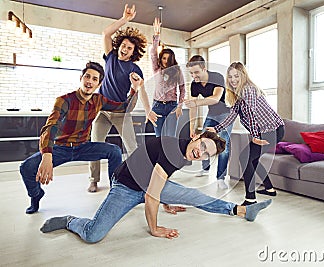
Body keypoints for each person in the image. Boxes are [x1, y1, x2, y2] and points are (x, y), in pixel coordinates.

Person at [40, 131, 273, 242]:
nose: (199, 152)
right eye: (202, 145)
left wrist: (166, 199)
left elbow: (158, 179)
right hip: (126, 186)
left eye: (206, 153)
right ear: (195, 136)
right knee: (93, 235)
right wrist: (155, 228)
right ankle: (70, 221)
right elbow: (152, 195)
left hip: (151, 183)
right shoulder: (173, 149)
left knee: (193, 196)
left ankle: (241, 210)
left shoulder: (186, 151)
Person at [20, 61, 144, 214]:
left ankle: (116, 194)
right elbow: (51, 126)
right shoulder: (64, 100)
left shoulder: (99, 100)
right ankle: (36, 195)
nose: (89, 82)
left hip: (83, 147)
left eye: (94, 79)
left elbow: (125, 108)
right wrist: (47, 154)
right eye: (87, 77)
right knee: (26, 168)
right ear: (81, 78)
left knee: (115, 151)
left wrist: (134, 89)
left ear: (99, 84)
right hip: (61, 148)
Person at [89, 3, 159, 193]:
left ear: (133, 52)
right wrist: (125, 20)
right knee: (95, 146)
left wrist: (146, 109)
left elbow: (142, 90)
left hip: (121, 113)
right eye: (123, 46)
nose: (124, 49)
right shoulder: (110, 56)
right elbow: (105, 33)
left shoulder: (134, 69)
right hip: (102, 111)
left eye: (129, 48)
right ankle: (94, 179)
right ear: (118, 45)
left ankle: (137, 178)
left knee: (132, 147)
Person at [207, 62, 285, 206]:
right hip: (265, 130)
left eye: (236, 76)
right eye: (230, 77)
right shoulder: (238, 94)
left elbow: (251, 114)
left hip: (271, 130)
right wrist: (216, 129)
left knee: (245, 158)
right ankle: (269, 188)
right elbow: (233, 114)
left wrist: (255, 136)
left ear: (243, 75)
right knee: (252, 159)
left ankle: (250, 199)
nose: (233, 79)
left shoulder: (248, 90)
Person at [184, 55, 233, 189]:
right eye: (191, 73)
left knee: (223, 144)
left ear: (204, 69)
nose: (194, 76)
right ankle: (205, 169)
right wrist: (191, 128)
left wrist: (196, 102)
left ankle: (220, 178)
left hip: (225, 114)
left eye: (196, 72)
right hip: (211, 114)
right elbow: (192, 107)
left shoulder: (216, 77)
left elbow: (215, 98)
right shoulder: (195, 84)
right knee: (201, 139)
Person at [150, 17, 185, 137]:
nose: (165, 61)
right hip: (157, 106)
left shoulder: (177, 71)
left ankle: (170, 156)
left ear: (172, 59)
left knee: (170, 138)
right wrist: (156, 35)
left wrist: (180, 106)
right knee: (158, 137)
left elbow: (183, 89)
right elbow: (153, 53)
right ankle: (160, 157)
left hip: (172, 107)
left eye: (168, 59)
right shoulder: (157, 69)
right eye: (163, 58)